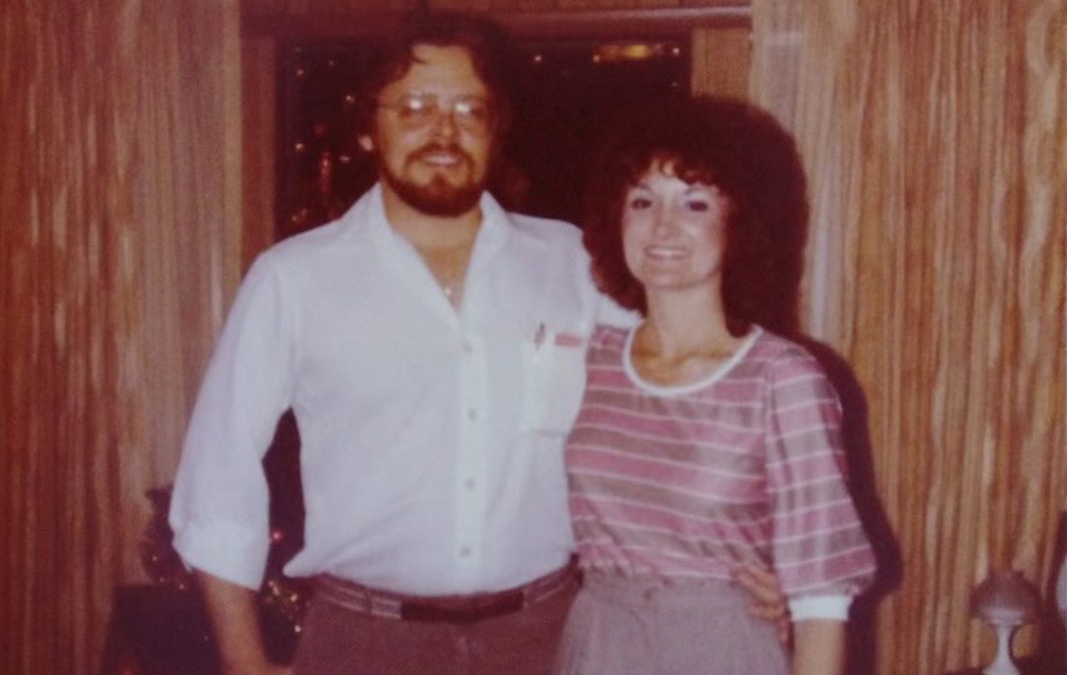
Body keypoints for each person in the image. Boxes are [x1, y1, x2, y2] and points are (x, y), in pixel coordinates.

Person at [169, 12, 784, 675]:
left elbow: (690, 396)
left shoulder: (575, 263)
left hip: (546, 637)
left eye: (469, 108)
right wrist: (243, 660)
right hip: (362, 642)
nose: (443, 129)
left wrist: (763, 555)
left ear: (497, 128)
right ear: (369, 128)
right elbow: (219, 471)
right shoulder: (292, 279)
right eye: (415, 106)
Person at [552, 96, 879, 675]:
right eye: (642, 200)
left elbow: (822, 597)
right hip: (600, 640)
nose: (663, 226)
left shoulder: (783, 379)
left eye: (695, 203)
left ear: (740, 223)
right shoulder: (593, 360)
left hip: (721, 647)